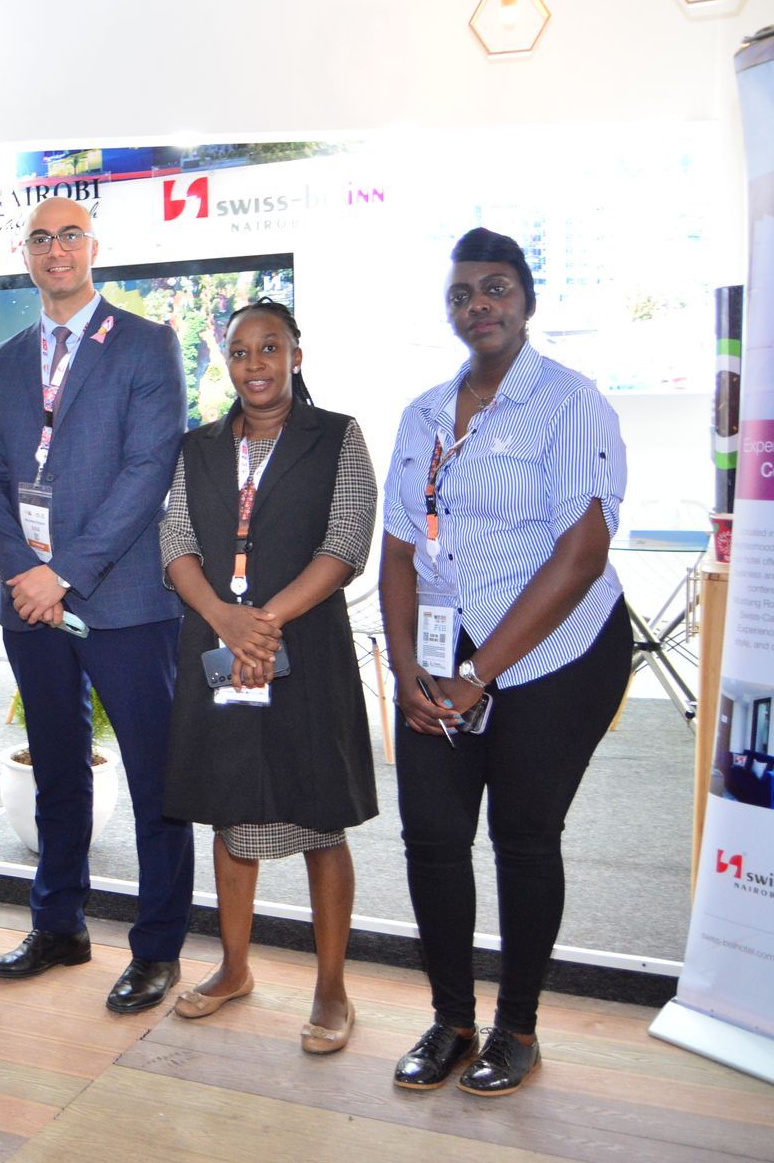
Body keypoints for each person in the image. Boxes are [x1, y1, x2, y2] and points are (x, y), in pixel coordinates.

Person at [379, 227, 632, 1097]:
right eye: (461, 294)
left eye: (495, 288)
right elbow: (399, 550)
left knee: (523, 835)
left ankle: (516, 1028)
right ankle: (452, 1019)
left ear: (526, 299)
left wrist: (477, 673)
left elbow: (582, 554)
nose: (477, 305)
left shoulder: (569, 402)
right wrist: (407, 670)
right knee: (432, 835)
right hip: (443, 654)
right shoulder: (422, 413)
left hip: (558, 653)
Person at [0, 197, 192, 1014]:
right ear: (25, 254)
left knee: (155, 780)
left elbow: (149, 470)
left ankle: (158, 947)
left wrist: (61, 572)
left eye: (69, 235)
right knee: (57, 769)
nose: (55, 249)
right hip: (28, 601)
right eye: (40, 238)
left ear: (94, 246)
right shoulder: (5, 358)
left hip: (124, 600)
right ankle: (58, 924)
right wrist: (22, 571)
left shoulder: (145, 343)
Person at [158, 300, 378, 1052]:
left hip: (305, 650)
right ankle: (234, 968)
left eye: (270, 347)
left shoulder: (337, 436)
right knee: (231, 811)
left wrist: (264, 621)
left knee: (320, 816)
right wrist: (225, 619)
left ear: (296, 355)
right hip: (220, 648)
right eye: (241, 351)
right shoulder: (198, 446)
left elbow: (347, 542)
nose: (255, 364)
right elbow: (176, 541)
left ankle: (332, 988)